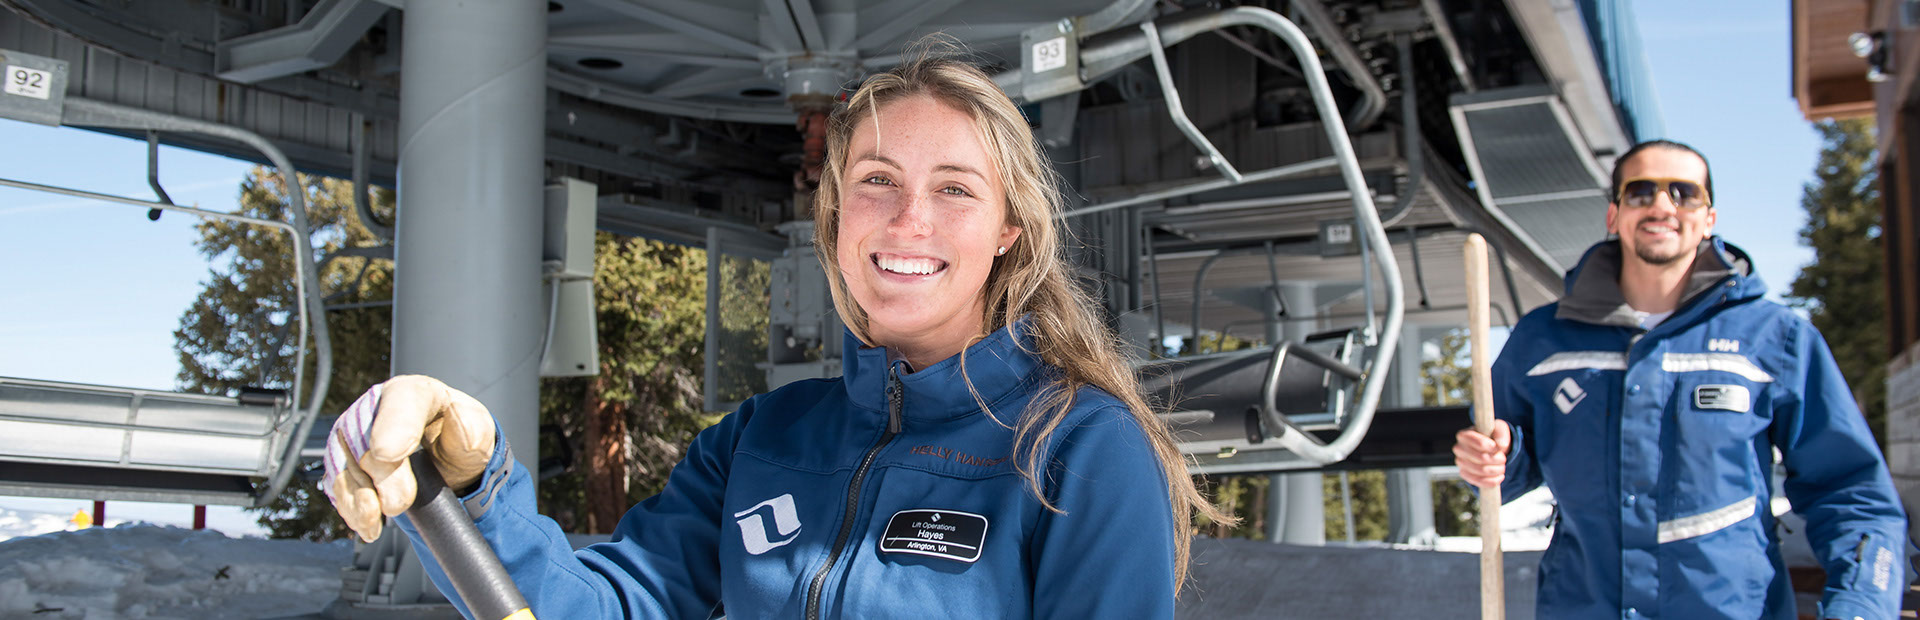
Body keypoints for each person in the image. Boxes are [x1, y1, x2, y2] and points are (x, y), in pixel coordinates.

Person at [319, 47, 1230, 619]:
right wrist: (477, 484)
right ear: (834, 218)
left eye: (955, 188)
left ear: (1008, 234)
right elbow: (602, 608)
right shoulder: (762, 441)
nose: (909, 218)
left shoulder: (1079, 448)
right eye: (876, 180)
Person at [1453, 139, 1910, 619]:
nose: (1662, 206)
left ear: (1709, 218)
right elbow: (1499, 470)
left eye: (1684, 193)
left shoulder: (1774, 337)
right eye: (1641, 192)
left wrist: (1860, 605)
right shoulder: (1543, 340)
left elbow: (1853, 492)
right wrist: (1493, 458)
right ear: (1614, 215)